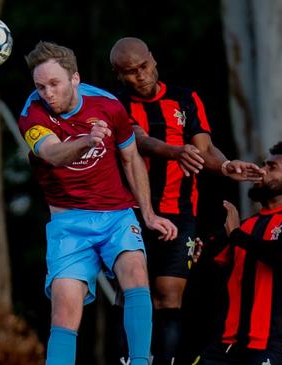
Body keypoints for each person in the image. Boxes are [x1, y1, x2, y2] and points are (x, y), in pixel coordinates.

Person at [17, 41, 178, 365]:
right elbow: (51, 154)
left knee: (134, 270)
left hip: (116, 215)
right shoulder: (31, 113)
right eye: (40, 86)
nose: (47, 93)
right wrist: (85, 141)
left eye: (54, 84)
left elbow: (131, 157)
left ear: (74, 79)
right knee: (64, 309)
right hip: (69, 224)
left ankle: (139, 361)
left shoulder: (107, 105)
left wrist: (147, 213)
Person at [109, 37, 262, 365]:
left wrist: (224, 166)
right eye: (131, 72)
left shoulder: (185, 98)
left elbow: (204, 150)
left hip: (181, 212)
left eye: (144, 66)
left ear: (153, 59)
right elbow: (140, 141)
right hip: (130, 214)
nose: (142, 75)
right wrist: (176, 151)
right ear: (119, 76)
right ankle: (129, 360)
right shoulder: (116, 104)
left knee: (169, 294)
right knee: (132, 293)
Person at [193, 140, 282, 365]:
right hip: (228, 345)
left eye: (272, 167)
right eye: (263, 164)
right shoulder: (246, 225)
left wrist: (237, 236)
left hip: (276, 345)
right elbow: (208, 265)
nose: (261, 170)